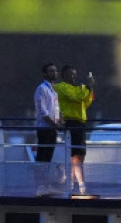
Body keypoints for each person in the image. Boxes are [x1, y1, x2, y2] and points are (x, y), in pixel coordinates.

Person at [54, 65, 94, 195]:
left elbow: (85, 102)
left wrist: (89, 89)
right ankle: (80, 185)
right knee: (74, 154)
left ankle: (70, 182)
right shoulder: (61, 87)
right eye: (71, 74)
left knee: (79, 154)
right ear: (64, 75)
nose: (74, 77)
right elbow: (78, 97)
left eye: (75, 74)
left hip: (80, 123)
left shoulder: (78, 89)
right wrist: (88, 87)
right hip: (70, 123)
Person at [34, 63, 61, 196]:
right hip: (45, 128)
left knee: (48, 158)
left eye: (55, 71)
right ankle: (40, 186)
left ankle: (46, 185)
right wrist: (54, 124)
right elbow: (43, 111)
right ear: (44, 74)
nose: (54, 73)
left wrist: (59, 122)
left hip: (52, 128)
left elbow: (55, 110)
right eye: (51, 71)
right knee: (42, 158)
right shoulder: (42, 89)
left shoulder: (54, 89)